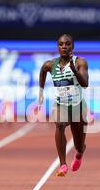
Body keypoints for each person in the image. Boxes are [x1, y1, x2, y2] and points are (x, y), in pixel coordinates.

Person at [38, 34, 89, 176]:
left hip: (78, 107)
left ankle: (79, 153)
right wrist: (41, 91)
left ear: (72, 46)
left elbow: (85, 84)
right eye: (61, 44)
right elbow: (43, 70)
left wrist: (74, 71)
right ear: (57, 47)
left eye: (67, 44)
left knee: (79, 144)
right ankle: (63, 164)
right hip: (61, 105)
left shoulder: (80, 62)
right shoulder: (50, 64)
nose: (64, 47)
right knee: (59, 124)